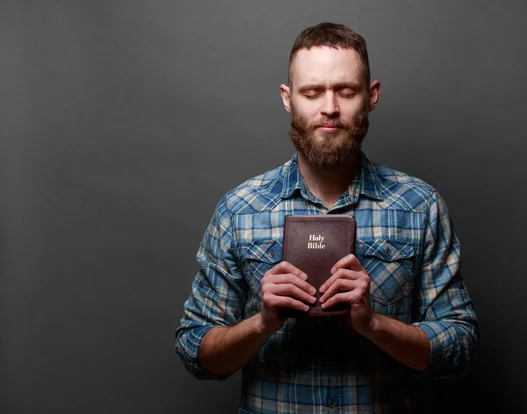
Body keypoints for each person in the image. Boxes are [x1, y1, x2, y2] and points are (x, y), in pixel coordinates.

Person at [175, 22, 479, 413]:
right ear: (288, 99)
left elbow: (461, 348)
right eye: (312, 92)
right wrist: (262, 323)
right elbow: (194, 351)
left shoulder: (420, 206)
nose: (330, 108)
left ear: (372, 96)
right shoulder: (239, 210)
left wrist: (375, 325)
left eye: (346, 91)